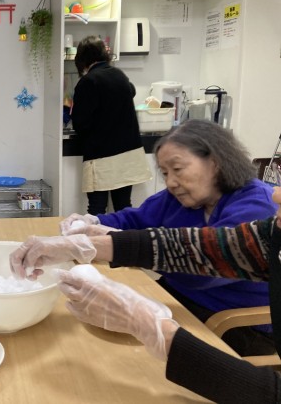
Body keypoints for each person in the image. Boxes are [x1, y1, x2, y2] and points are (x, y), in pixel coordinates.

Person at [12, 185, 281, 403]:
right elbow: (202, 250)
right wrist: (84, 245)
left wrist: (155, 331)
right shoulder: (272, 233)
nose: (277, 194)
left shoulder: (254, 201)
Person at [58, 119, 277, 356]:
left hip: (234, 322)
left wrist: (120, 243)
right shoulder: (180, 197)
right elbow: (134, 219)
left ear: (216, 162)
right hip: (177, 299)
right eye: (165, 173)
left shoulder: (258, 205)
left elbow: (202, 271)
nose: (171, 182)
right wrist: (92, 222)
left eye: (178, 169)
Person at [70, 35, 151, 215]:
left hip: (101, 155)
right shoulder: (120, 75)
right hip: (128, 153)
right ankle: (124, 235)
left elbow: (80, 123)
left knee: (97, 209)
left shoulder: (88, 81)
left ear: (82, 59)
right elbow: (131, 91)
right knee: (123, 206)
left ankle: (95, 235)